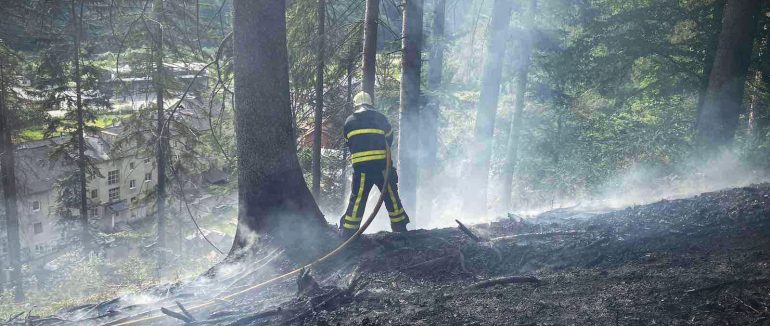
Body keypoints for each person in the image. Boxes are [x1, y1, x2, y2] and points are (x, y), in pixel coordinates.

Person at [339, 91, 410, 238]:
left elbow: (348, 143)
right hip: (382, 167)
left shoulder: (349, 121)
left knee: (358, 199)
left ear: (356, 105)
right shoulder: (381, 118)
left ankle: (349, 232)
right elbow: (389, 138)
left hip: (362, 168)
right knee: (391, 196)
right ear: (371, 104)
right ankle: (400, 228)